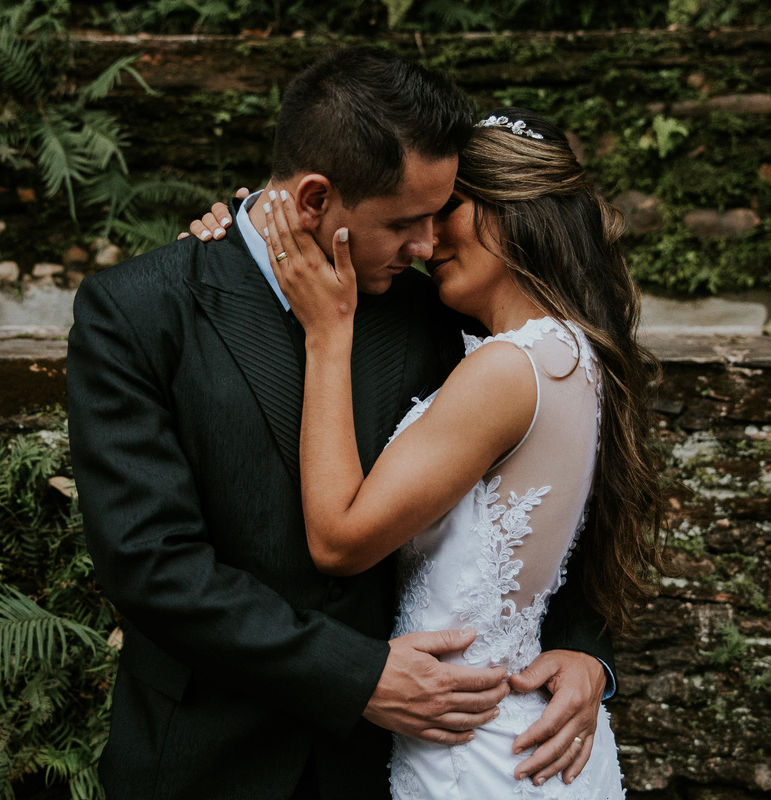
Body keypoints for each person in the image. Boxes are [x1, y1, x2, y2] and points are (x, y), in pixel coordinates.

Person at [67, 45, 616, 800]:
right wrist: (355, 676)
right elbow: (150, 564)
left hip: (388, 768)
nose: (427, 246)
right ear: (317, 198)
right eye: (406, 222)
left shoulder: (431, 311)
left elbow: (542, 485)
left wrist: (583, 649)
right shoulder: (139, 312)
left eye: (439, 214)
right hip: (208, 764)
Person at [257, 106, 666, 798]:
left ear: (510, 212)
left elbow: (339, 540)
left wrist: (328, 336)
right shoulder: (575, 354)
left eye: (447, 210)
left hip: (476, 753)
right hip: (510, 733)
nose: (424, 239)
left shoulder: (509, 369)